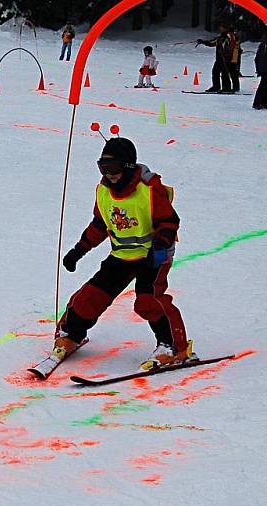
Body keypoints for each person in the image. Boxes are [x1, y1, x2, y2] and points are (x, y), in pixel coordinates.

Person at [55, 136, 193, 370]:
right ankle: (72, 333)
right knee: (90, 297)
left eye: (114, 167)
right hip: (122, 256)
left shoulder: (148, 189)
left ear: (128, 165)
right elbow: (100, 224)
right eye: (103, 167)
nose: (109, 173)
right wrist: (78, 251)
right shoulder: (104, 191)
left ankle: (174, 347)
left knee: (148, 300)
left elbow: (170, 222)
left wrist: (158, 247)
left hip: (154, 255)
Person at [197, 23, 237, 93]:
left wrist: (226, 53)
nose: (220, 29)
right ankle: (216, 86)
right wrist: (203, 42)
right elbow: (213, 43)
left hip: (226, 57)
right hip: (219, 57)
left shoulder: (229, 35)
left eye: (221, 27)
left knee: (224, 72)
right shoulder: (221, 36)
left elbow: (232, 45)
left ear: (225, 28)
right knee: (215, 71)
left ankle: (226, 88)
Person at [255, 33, 267, 110]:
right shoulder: (264, 45)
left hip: (263, 68)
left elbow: (257, 58)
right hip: (264, 68)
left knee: (264, 85)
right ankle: (258, 102)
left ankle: (262, 102)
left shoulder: (262, 45)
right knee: (263, 85)